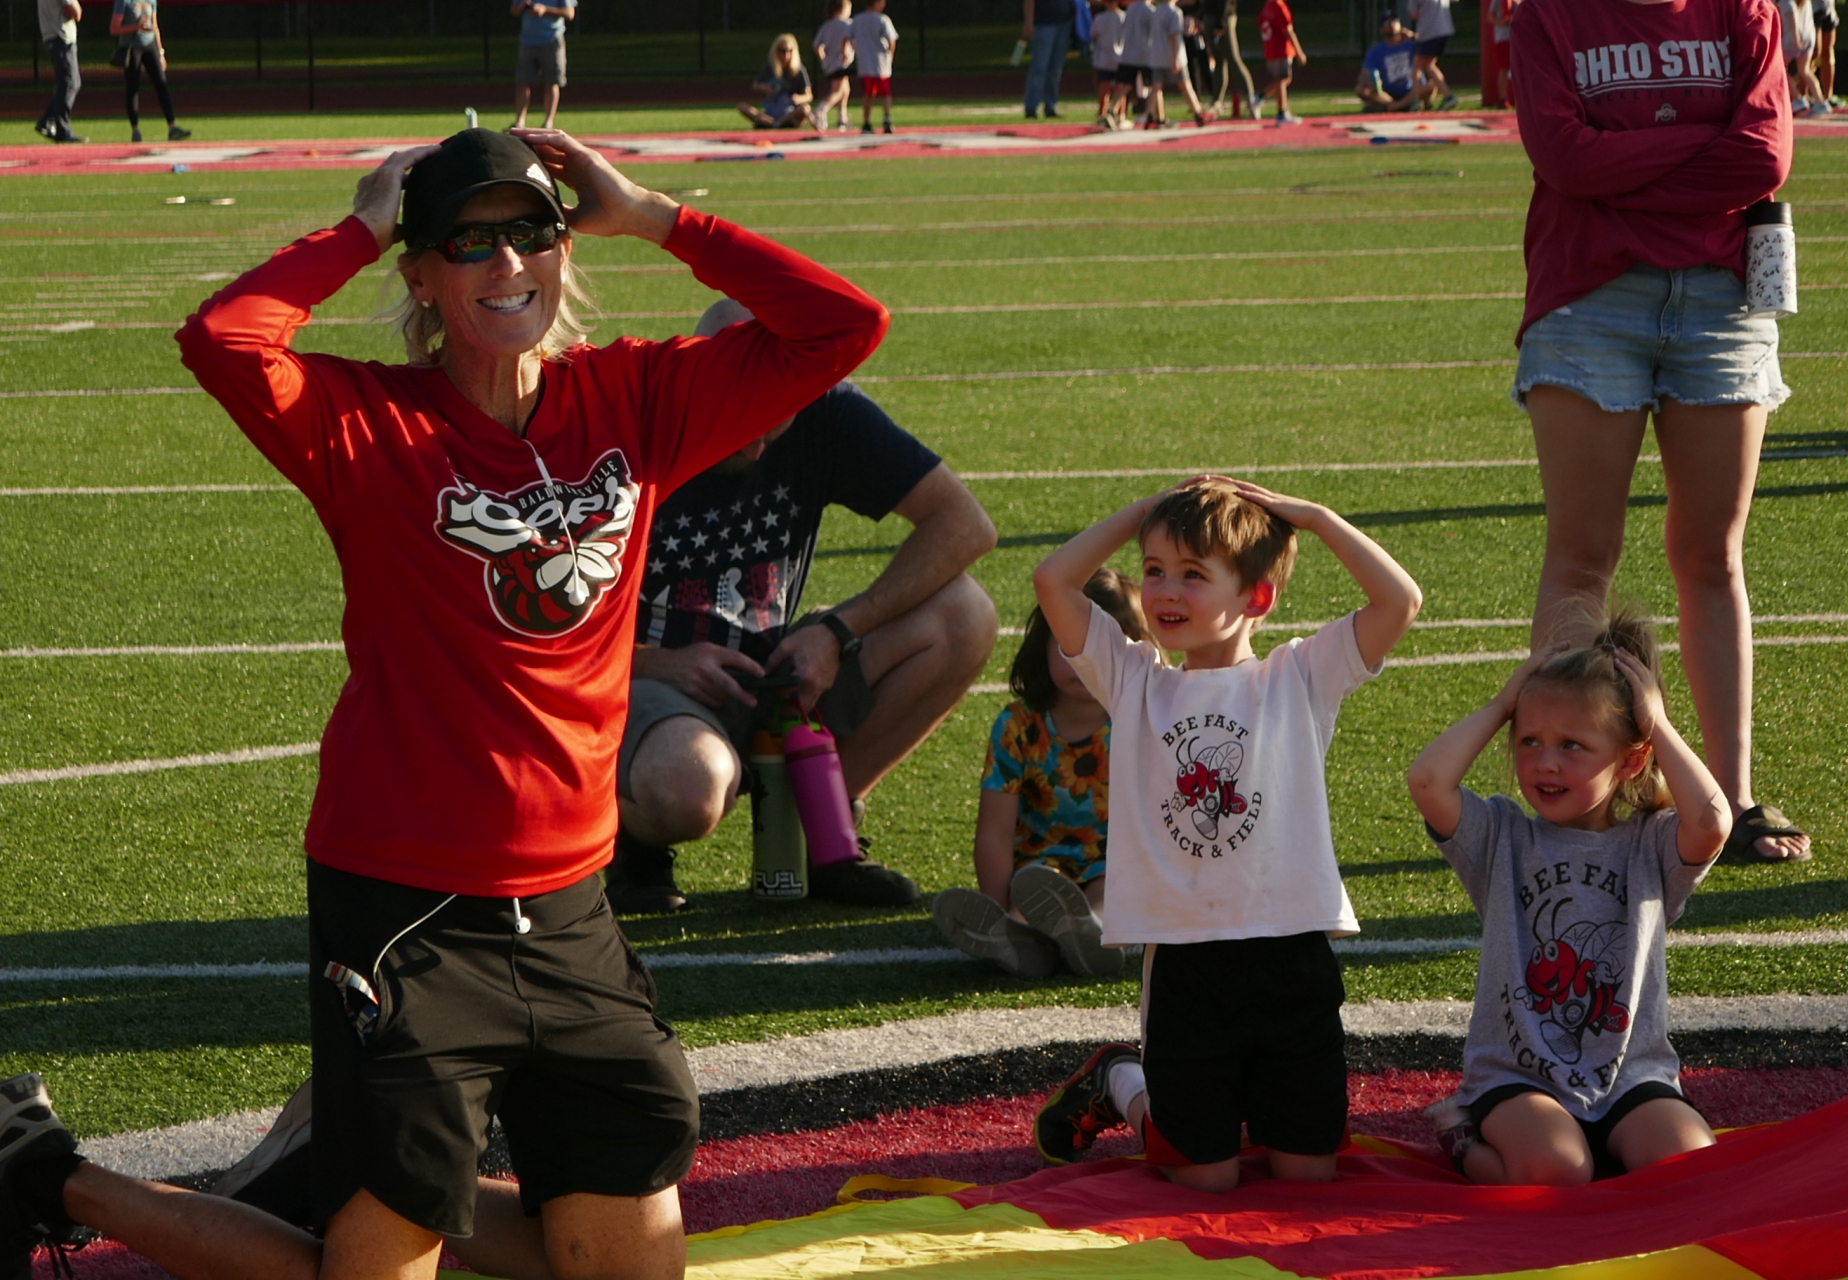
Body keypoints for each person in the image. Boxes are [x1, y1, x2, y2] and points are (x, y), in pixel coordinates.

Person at [0, 128, 889, 1280]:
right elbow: (225, 338)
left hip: (573, 908)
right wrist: (360, 226)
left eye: (530, 231)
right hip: (405, 911)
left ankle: (342, 1161)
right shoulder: (368, 424)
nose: (504, 262)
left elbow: (844, 326)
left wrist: (657, 216)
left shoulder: (641, 397)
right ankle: (43, 1164)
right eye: (468, 242)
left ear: (563, 249)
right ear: (421, 274)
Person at [1028, 478, 1423, 1188]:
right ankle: (1122, 1081)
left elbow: (1399, 601)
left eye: (1192, 575)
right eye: (1154, 571)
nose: (1165, 592)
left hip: (1291, 957)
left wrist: (1317, 515)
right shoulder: (1135, 680)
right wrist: (1140, 516)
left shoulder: (1300, 675)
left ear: (1257, 598)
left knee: (1307, 1175)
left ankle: (1148, 1084)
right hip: (1186, 964)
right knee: (1203, 1179)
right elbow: (1053, 580)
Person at [1510, 0, 1811, 865]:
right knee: (1581, 555)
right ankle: (1567, 795)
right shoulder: (1550, 18)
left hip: (1721, 299)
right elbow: (1564, 158)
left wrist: (1622, 164)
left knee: (1713, 556)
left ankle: (1730, 800)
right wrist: (1699, 147)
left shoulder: (1741, 8)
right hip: (1588, 296)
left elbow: (1764, 154)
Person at [607, 299, 999, 914]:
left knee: (966, 615)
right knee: (690, 789)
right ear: (698, 375)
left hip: (778, 668)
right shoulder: (626, 420)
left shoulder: (827, 408)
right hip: (648, 679)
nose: (762, 446)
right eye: (745, 419)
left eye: (777, 421)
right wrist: (657, 664)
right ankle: (632, 844)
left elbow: (965, 526)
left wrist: (839, 631)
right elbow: (525, 617)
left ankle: (829, 825)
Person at [1407, 611, 1730, 1185]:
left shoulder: (1651, 844)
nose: (1544, 761)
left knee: (1693, 1171)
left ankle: (1607, 1147)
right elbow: (1428, 781)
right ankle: (1463, 1137)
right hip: (1519, 1078)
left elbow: (1712, 821)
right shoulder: (1503, 836)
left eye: (1572, 746)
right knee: (1558, 1171)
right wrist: (1502, 705)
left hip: (1631, 1076)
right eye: (1529, 740)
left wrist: (1657, 725)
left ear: (1631, 758)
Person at [933, 569, 1147, 978]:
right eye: (1069, 643)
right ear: (1042, 643)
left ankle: (1094, 936)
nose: (1084, 660)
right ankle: (1015, 937)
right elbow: (994, 830)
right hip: (1039, 871)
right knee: (1028, 900)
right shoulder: (1018, 725)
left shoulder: (1143, 719)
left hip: (1116, 863)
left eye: (1101, 647)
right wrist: (997, 907)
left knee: (1108, 894)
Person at [110, 0, 188, 144]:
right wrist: (137, 27)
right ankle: (136, 129)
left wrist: (161, 52)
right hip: (132, 47)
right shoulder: (124, 1)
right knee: (133, 87)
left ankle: (173, 127)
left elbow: (155, 25)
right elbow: (114, 28)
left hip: (149, 44)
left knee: (161, 84)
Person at [510, 0, 574, 131]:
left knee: (552, 82)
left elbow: (570, 13)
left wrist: (545, 10)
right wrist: (521, 7)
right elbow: (514, 11)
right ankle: (520, 121)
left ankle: (548, 123)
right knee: (522, 81)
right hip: (527, 40)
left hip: (552, 39)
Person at [35, 0, 86, 144]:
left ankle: (47, 121)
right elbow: (77, 13)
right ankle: (62, 129)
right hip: (62, 37)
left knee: (67, 83)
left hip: (51, 36)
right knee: (71, 83)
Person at [738, 34, 814, 129]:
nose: (786, 54)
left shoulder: (799, 70)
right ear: (776, 51)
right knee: (742, 106)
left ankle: (779, 123)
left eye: (789, 51)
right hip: (772, 109)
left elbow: (809, 96)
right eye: (782, 51)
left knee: (805, 109)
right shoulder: (770, 68)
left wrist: (798, 98)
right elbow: (755, 85)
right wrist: (764, 87)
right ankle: (770, 122)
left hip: (790, 112)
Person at [1201, 0, 1261, 118]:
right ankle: (1217, 102)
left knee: (1233, 59)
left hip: (1225, 16)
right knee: (1219, 61)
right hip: (1210, 15)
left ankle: (1251, 100)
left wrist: (1220, 22)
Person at [1355, 14, 1422, 112]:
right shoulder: (1377, 51)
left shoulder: (1412, 45)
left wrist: (1412, 36)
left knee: (1431, 85)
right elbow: (1364, 74)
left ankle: (1396, 107)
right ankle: (1399, 105)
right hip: (1389, 94)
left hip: (1412, 90)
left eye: (1395, 21)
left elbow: (1428, 46)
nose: (1392, 24)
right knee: (1360, 89)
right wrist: (1370, 80)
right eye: (1387, 23)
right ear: (1382, 30)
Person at [1024, 0, 1076, 118]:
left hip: (1064, 23)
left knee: (1056, 69)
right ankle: (1031, 107)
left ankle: (1051, 105)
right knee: (1039, 67)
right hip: (1043, 24)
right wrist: (1029, 22)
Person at [853, 0, 898, 134]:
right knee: (885, 93)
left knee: (869, 93)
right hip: (881, 61)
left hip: (865, 62)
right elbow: (891, 40)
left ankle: (867, 122)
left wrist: (857, 51)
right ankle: (887, 117)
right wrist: (890, 55)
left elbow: (849, 37)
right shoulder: (882, 19)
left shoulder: (858, 19)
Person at [1779, 0, 1832, 113]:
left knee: (1780, 69)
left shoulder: (1786, 1)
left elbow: (1791, 15)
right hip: (1808, 38)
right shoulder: (1806, 2)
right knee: (1805, 71)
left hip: (1793, 39)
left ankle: (1797, 99)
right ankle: (1820, 102)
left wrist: (1795, 37)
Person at [1258, 0, 1305, 123]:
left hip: (1271, 47)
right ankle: (1282, 112)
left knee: (1284, 80)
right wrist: (1299, 51)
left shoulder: (1269, 4)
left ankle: (1259, 97)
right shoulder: (1278, 5)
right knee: (1282, 80)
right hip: (1280, 48)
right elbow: (1288, 30)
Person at [1407, 0, 1460, 109]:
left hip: (1429, 32)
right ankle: (1448, 97)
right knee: (1429, 66)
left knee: (1417, 66)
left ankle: (1416, 100)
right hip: (1444, 30)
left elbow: (1414, 14)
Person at [813, 0, 857, 131]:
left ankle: (842, 118)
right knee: (838, 91)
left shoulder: (826, 26)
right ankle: (820, 111)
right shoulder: (848, 24)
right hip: (841, 62)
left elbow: (816, 45)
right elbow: (851, 40)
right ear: (842, 9)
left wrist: (823, 59)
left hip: (830, 63)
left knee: (845, 89)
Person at [1116, 0, 1158, 124]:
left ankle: (1112, 110)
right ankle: (1150, 114)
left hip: (1129, 53)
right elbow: (1154, 33)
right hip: (1145, 55)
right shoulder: (1150, 11)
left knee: (1127, 85)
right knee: (1153, 85)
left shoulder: (1131, 9)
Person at [1090, 0, 1130, 128]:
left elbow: (1093, 34)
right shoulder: (1124, 17)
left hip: (1104, 59)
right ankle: (1120, 115)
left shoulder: (1100, 18)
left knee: (1104, 87)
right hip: (1121, 58)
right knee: (1120, 87)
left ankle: (1102, 114)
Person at [1809, 0, 1838, 101]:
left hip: (1828, 10)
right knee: (1813, 54)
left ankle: (1828, 95)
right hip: (1812, 11)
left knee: (1828, 52)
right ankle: (1807, 94)